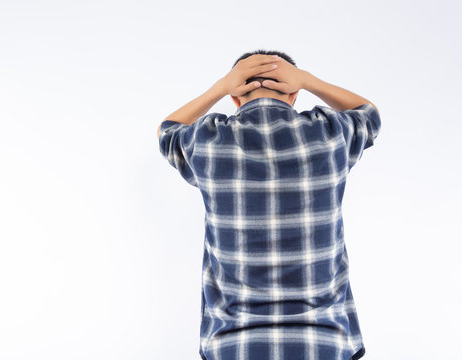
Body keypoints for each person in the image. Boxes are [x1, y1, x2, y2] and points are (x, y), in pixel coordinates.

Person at [157, 49, 381, 360]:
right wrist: (308, 80)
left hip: (233, 346)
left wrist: (220, 86)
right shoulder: (330, 133)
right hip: (325, 343)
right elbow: (368, 113)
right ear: (294, 94)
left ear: (235, 97)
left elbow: (167, 130)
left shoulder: (207, 140)